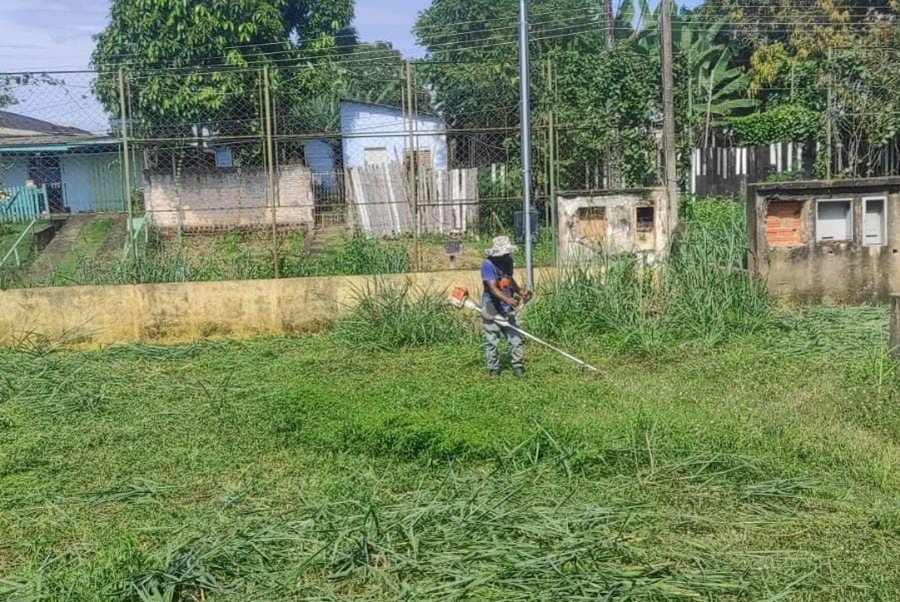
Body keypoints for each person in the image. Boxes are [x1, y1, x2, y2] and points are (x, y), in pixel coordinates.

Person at [481, 236, 531, 378]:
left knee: (515, 336)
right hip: (490, 305)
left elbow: (509, 280)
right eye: (505, 253)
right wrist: (508, 299)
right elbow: (492, 288)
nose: (507, 255)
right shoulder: (487, 265)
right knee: (492, 339)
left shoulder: (508, 261)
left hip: (506, 305)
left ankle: (518, 366)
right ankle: (493, 369)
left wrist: (520, 291)